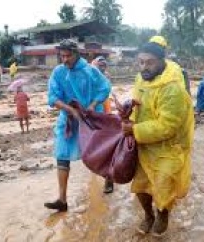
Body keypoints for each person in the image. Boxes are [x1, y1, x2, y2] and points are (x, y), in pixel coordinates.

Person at [121, 42, 194, 237]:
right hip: (143, 144)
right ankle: (148, 215)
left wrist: (134, 130)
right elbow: (138, 103)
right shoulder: (141, 80)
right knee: (141, 185)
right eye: (141, 62)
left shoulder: (172, 89)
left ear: (162, 61)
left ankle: (162, 215)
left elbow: (168, 126)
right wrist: (128, 107)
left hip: (168, 148)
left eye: (150, 63)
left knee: (163, 186)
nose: (144, 67)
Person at [45, 39, 111, 212]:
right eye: (62, 56)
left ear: (76, 54)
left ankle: (109, 177)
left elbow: (104, 88)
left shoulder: (91, 71)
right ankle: (62, 199)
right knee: (62, 154)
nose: (64, 59)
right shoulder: (58, 72)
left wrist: (91, 105)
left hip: (90, 119)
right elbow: (52, 97)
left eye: (68, 56)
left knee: (98, 152)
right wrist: (69, 110)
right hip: (68, 120)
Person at [91, 55, 114, 194]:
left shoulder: (106, 78)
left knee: (106, 149)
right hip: (93, 116)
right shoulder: (89, 77)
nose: (103, 66)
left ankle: (109, 179)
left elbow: (107, 94)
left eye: (104, 65)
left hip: (105, 115)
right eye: (100, 64)